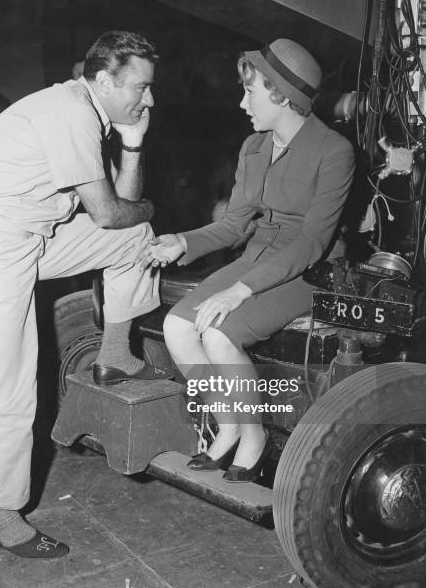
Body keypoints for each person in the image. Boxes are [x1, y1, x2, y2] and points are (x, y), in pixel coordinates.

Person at [0, 30, 173, 559]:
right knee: (8, 385)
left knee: (135, 238)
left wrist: (133, 142)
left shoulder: (91, 114)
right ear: (104, 80)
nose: (149, 99)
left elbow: (120, 216)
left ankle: (114, 355)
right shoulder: (68, 113)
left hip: (29, 240)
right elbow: (113, 209)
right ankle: (2, 516)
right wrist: (151, 209)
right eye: (142, 87)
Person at [139, 39, 355, 483]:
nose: (242, 103)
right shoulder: (253, 148)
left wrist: (241, 290)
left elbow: (313, 242)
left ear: (282, 95)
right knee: (178, 328)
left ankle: (253, 437)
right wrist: (182, 241)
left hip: (309, 270)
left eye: (250, 92)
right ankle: (231, 422)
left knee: (219, 335)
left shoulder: (334, 152)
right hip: (258, 255)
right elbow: (235, 226)